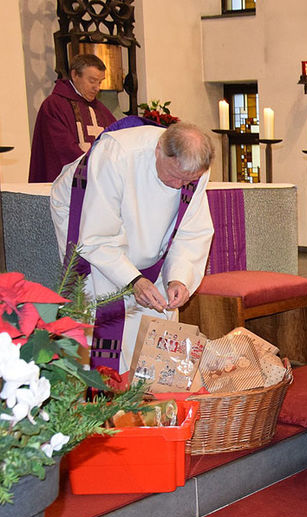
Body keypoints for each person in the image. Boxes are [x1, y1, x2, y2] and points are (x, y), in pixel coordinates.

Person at [49, 120, 215, 372]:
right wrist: (133, 279)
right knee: (103, 296)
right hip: (88, 217)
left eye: (187, 181)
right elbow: (98, 238)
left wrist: (179, 278)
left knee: (159, 301)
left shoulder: (192, 167)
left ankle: (148, 382)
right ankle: (97, 388)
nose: (178, 186)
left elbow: (190, 230)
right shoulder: (116, 155)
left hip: (140, 231)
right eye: (173, 176)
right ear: (158, 150)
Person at [29, 54, 117, 183]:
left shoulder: (101, 110)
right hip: (66, 186)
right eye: (92, 81)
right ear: (75, 75)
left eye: (100, 82)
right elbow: (61, 150)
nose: (97, 88)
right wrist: (96, 168)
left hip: (97, 183)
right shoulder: (54, 106)